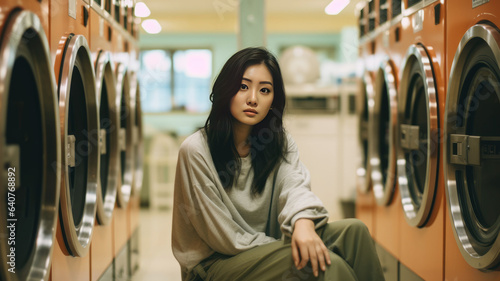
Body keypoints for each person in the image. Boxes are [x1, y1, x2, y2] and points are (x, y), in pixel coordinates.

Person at [171, 47, 384, 281]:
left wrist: (302, 222)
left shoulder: (278, 142)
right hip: (214, 265)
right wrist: (288, 243)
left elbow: (295, 185)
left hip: (265, 252)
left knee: (355, 232)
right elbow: (223, 237)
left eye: (264, 90)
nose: (253, 98)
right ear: (225, 89)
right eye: (243, 87)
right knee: (327, 264)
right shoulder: (196, 150)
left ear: (274, 99)